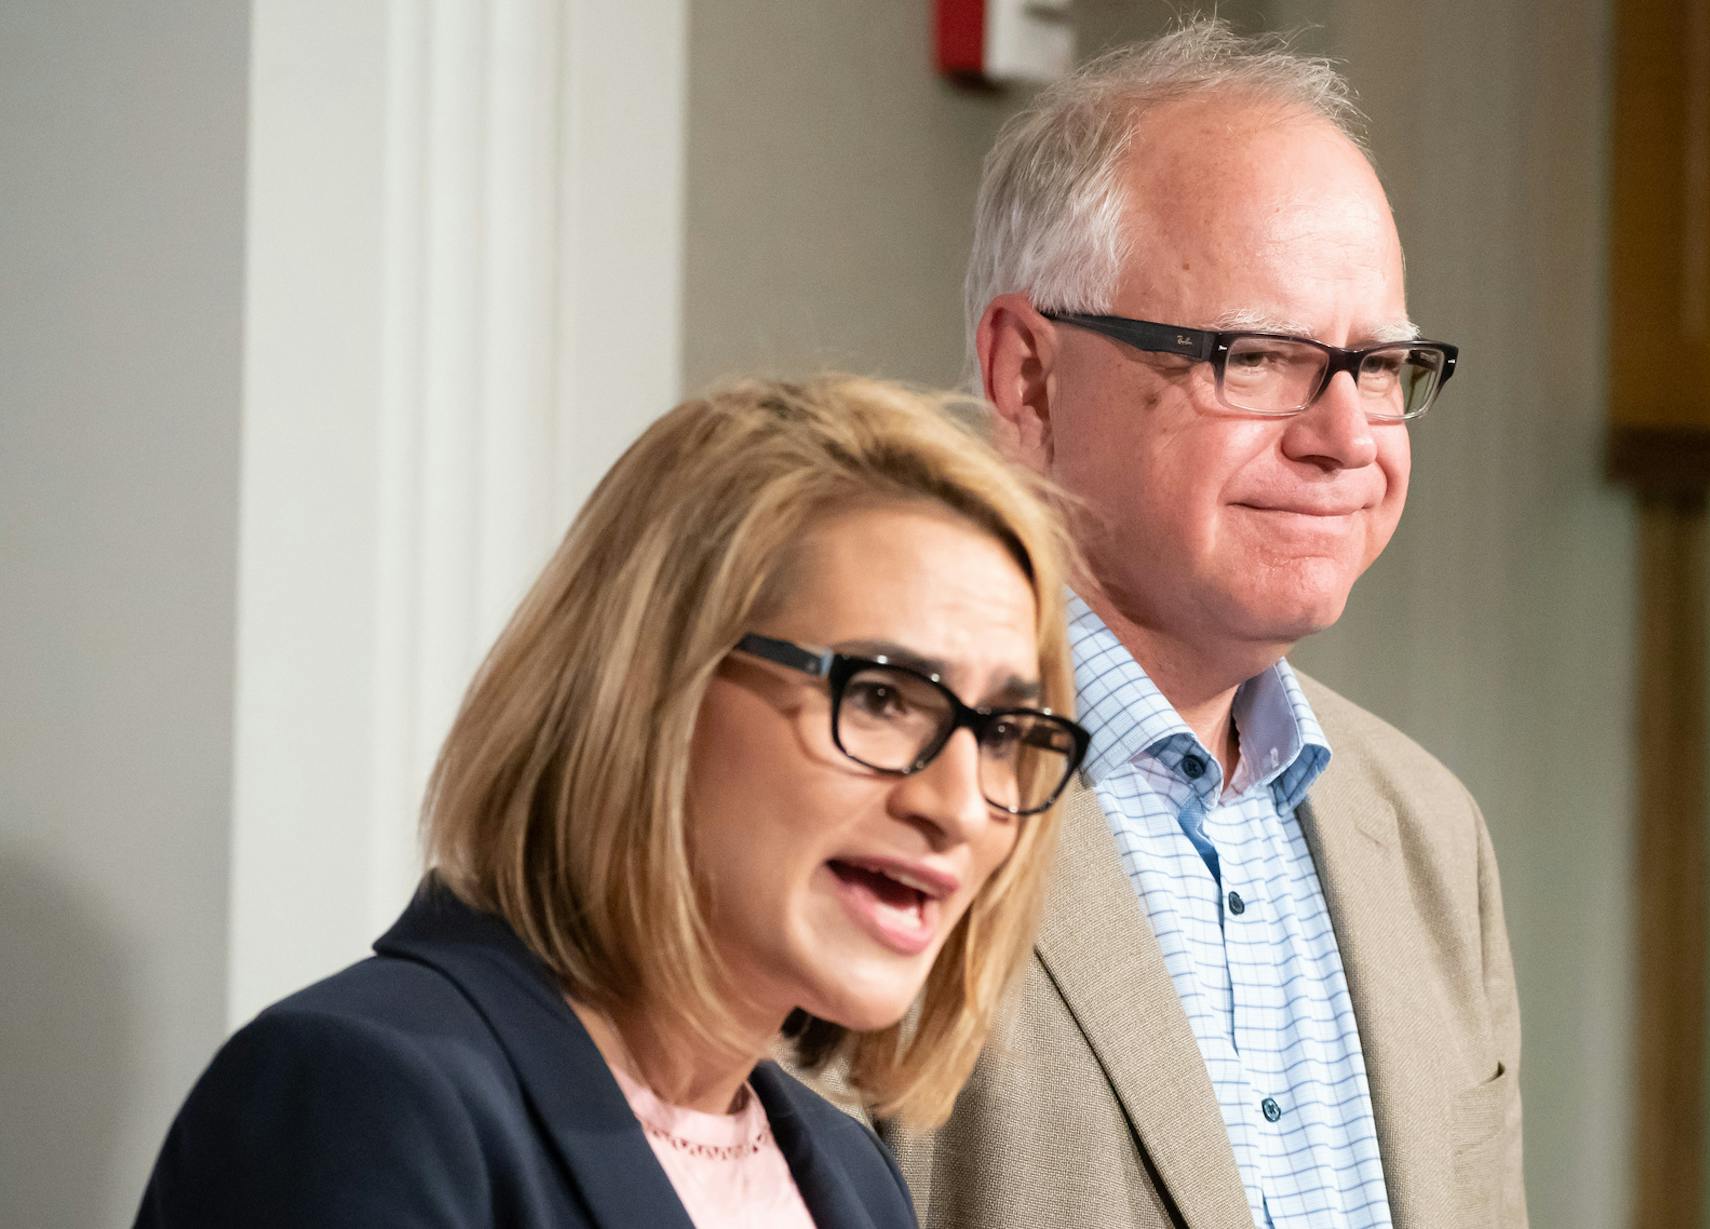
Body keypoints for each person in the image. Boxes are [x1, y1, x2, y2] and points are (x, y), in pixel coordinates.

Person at [134, 376, 1089, 1229]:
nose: (960, 806)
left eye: (1006, 733)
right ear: (652, 688)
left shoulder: (853, 1177)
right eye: (882, 696)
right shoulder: (363, 1098)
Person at [887, 21, 1527, 1229]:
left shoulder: (1434, 833)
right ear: (1028, 378)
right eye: (1258, 354)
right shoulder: (875, 787)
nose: (1346, 437)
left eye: (1381, 364)